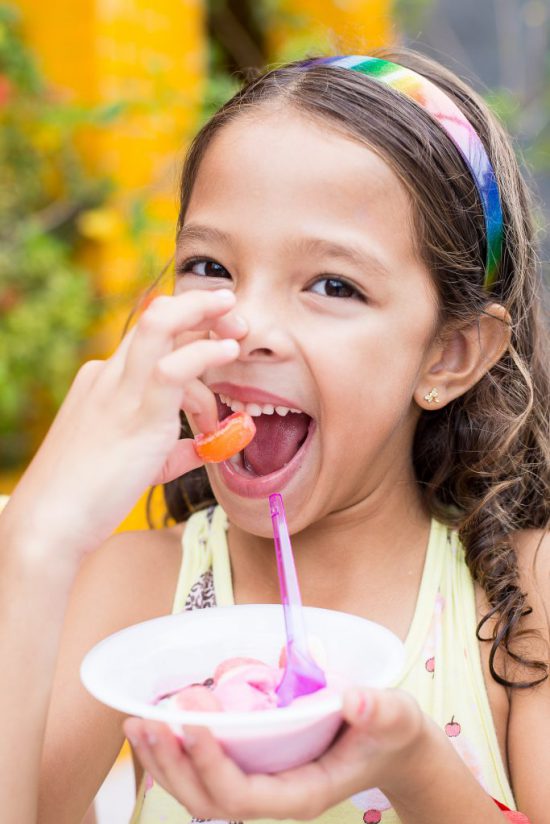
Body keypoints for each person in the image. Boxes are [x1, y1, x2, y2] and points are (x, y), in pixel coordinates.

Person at [0, 46, 548, 824]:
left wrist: (414, 768)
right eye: (210, 266)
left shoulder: (523, 601)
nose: (246, 325)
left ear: (448, 354)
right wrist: (36, 540)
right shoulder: (137, 593)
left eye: (333, 284)